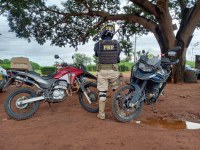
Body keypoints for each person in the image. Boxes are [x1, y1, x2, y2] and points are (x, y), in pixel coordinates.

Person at [94, 23, 121, 120]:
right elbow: (118, 57)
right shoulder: (117, 44)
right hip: (114, 71)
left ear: (103, 32)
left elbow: (97, 55)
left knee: (102, 93)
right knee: (118, 92)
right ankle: (120, 112)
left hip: (102, 71)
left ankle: (101, 115)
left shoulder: (98, 44)